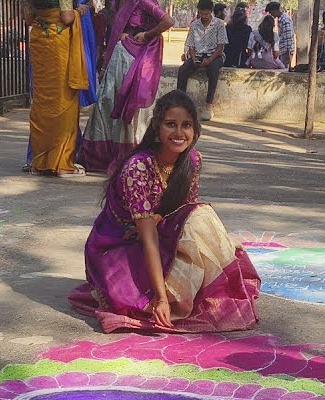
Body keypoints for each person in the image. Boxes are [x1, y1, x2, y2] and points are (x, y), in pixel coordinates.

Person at [70, 91, 261, 333]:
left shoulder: (192, 160)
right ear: (157, 129)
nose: (179, 133)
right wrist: (160, 298)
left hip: (158, 235)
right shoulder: (138, 167)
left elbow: (184, 212)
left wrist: (163, 219)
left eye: (186, 126)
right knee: (154, 296)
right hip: (119, 245)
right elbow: (148, 238)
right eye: (171, 124)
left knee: (201, 219)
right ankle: (155, 295)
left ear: (195, 131)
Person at [79, 0, 175, 173]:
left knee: (129, 108)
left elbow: (168, 21)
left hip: (133, 61)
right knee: (108, 104)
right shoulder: (117, 3)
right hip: (120, 58)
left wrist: (146, 35)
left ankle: (131, 156)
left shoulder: (143, 1)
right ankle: (105, 157)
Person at [26, 0, 93, 177]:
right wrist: (80, 11)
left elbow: (27, 19)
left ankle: (41, 162)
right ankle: (62, 164)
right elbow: (67, 17)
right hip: (58, 41)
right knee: (64, 100)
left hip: (40, 40)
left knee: (42, 102)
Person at [178, 0, 228, 121]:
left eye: (206, 14)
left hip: (215, 55)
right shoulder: (195, 25)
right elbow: (191, 45)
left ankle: (208, 106)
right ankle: (180, 103)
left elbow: (220, 47)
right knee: (183, 70)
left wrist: (210, 60)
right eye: (201, 14)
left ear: (211, 12)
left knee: (213, 70)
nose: (204, 17)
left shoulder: (219, 24)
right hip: (198, 54)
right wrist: (194, 58)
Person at [266, 2, 294, 69]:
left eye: (271, 12)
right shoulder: (280, 19)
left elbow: (288, 38)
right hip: (282, 51)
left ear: (275, 10)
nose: (271, 14)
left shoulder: (285, 20)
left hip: (285, 52)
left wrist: (289, 53)